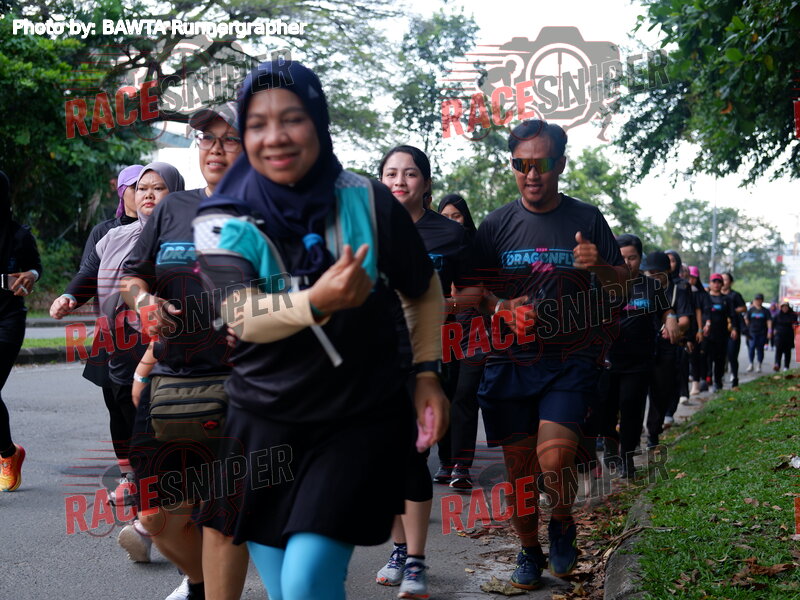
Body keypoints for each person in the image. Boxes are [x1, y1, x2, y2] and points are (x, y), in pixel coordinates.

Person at [191, 60, 449, 600]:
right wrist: (317, 301)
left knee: (307, 580)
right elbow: (242, 314)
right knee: (288, 591)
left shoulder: (368, 200)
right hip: (261, 422)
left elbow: (423, 288)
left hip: (356, 418)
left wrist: (427, 373)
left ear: (319, 121)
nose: (275, 137)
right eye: (257, 124)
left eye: (292, 118)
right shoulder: (221, 217)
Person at [456, 119, 630, 590]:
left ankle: (563, 519)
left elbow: (623, 287)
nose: (532, 174)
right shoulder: (496, 225)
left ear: (561, 164)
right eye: (521, 164)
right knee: (521, 473)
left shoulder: (586, 218)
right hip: (509, 362)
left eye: (543, 163)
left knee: (554, 460)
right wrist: (500, 308)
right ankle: (529, 549)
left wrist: (600, 267)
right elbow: (469, 291)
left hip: (569, 361)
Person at [120, 104, 249, 600]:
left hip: (241, 384)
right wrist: (144, 302)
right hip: (171, 380)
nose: (216, 149)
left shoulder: (267, 213)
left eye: (229, 139)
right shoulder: (173, 209)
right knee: (155, 515)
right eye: (207, 138)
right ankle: (199, 583)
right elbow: (134, 277)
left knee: (221, 516)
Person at [375, 146, 470, 597]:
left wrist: (448, 305)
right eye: (391, 173)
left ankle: (415, 560)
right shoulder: (365, 228)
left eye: (410, 174)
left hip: (427, 359)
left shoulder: (449, 234)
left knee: (412, 457)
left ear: (426, 183)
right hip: (371, 362)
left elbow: (475, 290)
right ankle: (398, 549)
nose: (400, 181)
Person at [50, 164, 143, 509]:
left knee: (144, 403)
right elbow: (89, 273)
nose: (144, 194)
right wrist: (69, 297)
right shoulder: (106, 232)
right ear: (122, 192)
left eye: (152, 187)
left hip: (150, 331)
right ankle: (129, 474)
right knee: (116, 403)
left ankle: (152, 474)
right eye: (136, 187)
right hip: (110, 332)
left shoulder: (166, 228)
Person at [600, 236, 681, 478]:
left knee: (631, 408)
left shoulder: (651, 286)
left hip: (639, 361)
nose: (627, 262)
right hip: (606, 360)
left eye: (632, 257)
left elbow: (666, 309)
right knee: (606, 411)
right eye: (621, 258)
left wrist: (671, 318)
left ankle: (628, 458)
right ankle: (610, 447)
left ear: (640, 258)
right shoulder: (602, 285)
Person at [0, 170, 42, 492]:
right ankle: (8, 452)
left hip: (7, 320)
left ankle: (6, 454)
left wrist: (31, 275)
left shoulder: (19, 236)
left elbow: (35, 267)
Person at [438, 193, 481, 489]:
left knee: (465, 395)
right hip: (442, 330)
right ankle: (446, 461)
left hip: (474, 331)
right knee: (444, 393)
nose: (452, 222)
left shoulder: (476, 248)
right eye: (446, 217)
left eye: (457, 215)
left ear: (466, 218)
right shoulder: (434, 248)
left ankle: (462, 466)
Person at [642, 251, 692, 445]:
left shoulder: (679, 291)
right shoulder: (639, 289)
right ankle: (632, 433)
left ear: (667, 271)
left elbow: (685, 320)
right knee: (635, 392)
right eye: (650, 272)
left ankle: (653, 433)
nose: (653, 276)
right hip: (641, 346)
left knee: (660, 391)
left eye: (658, 272)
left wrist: (673, 327)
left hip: (667, 346)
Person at [704, 273, 739, 392]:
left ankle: (718, 382)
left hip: (722, 334)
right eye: (714, 282)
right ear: (710, 283)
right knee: (707, 357)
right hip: (707, 334)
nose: (716, 284)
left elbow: (732, 315)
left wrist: (734, 329)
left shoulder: (726, 299)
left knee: (720, 359)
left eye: (719, 282)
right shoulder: (705, 298)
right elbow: (701, 313)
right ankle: (707, 378)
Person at [686, 266, 709, 396]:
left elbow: (701, 311)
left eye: (693, 277)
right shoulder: (682, 291)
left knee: (697, 356)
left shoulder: (702, 294)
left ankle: (697, 382)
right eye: (689, 277)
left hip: (697, 329)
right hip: (685, 327)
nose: (691, 279)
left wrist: (702, 327)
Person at [721, 272, 746, 387]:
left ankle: (734, 376)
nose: (723, 282)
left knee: (732, 354)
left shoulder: (735, 295)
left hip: (733, 327)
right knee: (719, 355)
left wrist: (731, 311)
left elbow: (743, 308)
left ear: (730, 282)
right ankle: (718, 376)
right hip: (718, 329)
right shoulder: (714, 295)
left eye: (725, 279)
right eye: (721, 279)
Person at [744, 293, 772, 372]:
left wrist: (769, 331)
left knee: (760, 348)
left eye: (759, 300)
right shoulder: (751, 310)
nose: (758, 301)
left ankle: (759, 364)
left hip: (762, 332)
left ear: (762, 301)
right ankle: (751, 363)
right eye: (756, 300)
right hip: (752, 332)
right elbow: (746, 320)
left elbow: (769, 321)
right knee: (751, 347)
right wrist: (746, 330)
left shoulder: (765, 311)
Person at [773, 302, 797, 371]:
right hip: (779, 336)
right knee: (778, 351)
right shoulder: (777, 315)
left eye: (786, 307)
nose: (785, 308)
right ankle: (777, 364)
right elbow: (773, 324)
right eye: (783, 307)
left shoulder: (793, 315)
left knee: (787, 351)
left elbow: (796, 325)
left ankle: (786, 366)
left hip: (789, 336)